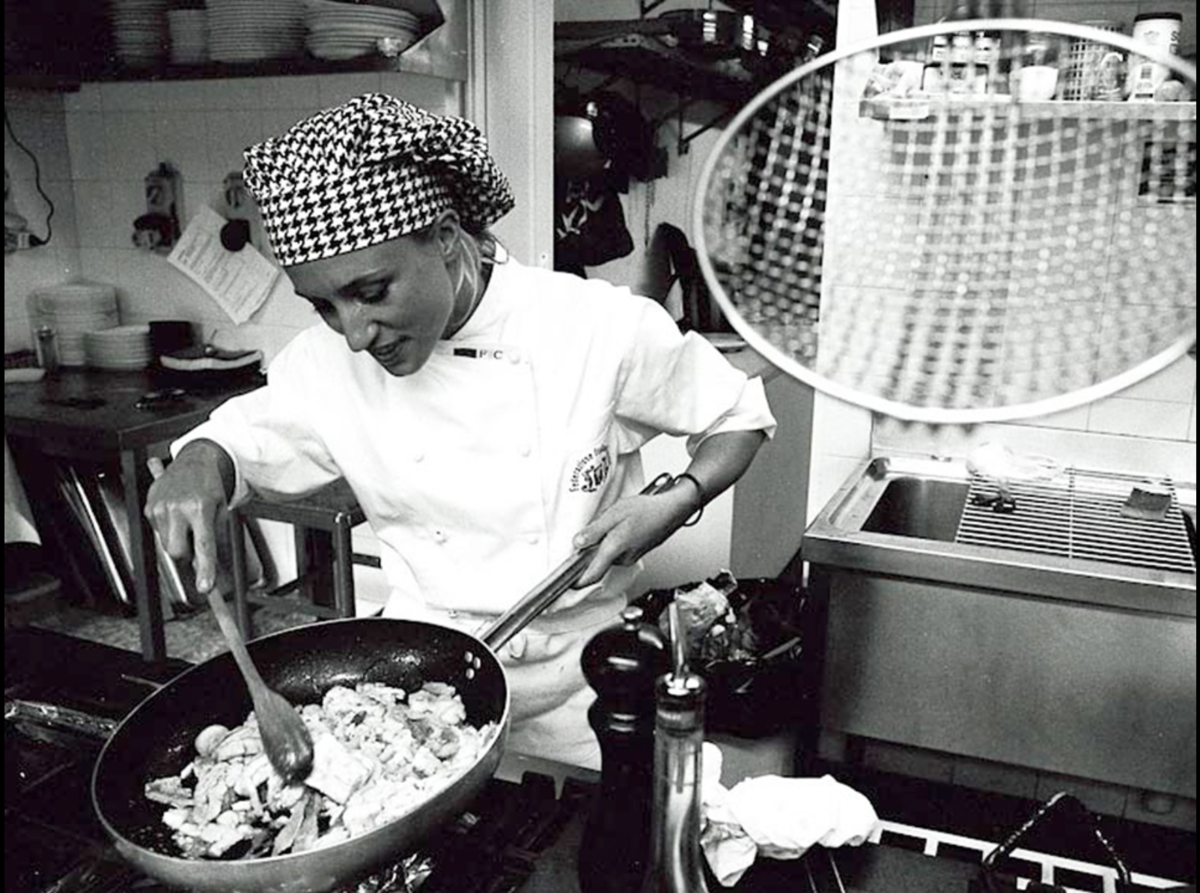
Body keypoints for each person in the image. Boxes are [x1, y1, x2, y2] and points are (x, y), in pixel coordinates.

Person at [145, 94, 776, 769]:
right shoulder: (325, 362)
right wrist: (197, 464)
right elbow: (241, 440)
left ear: (446, 237)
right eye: (324, 306)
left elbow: (737, 415)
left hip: (580, 689)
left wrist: (676, 500)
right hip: (421, 685)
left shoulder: (590, 327)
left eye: (371, 292)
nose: (354, 334)